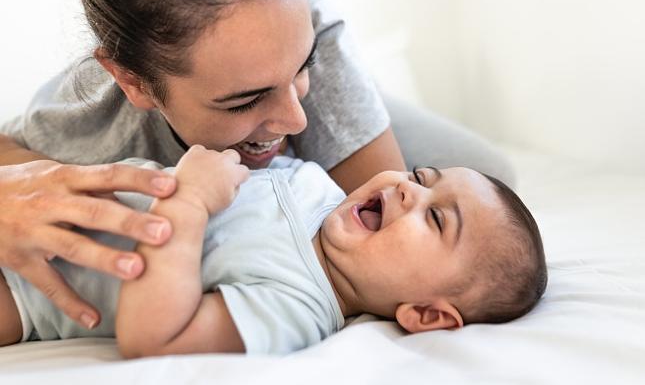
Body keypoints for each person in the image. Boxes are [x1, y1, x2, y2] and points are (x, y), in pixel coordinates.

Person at [0, 0, 515, 331]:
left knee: (491, 186)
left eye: (300, 69)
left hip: (313, 58)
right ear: (133, 81)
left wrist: (288, 77)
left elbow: (379, 275)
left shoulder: (305, 30)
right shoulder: (85, 118)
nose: (294, 119)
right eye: (243, 99)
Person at [0, 146, 547, 355]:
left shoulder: (301, 305)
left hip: (25, 292)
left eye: (435, 217)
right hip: (38, 198)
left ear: (426, 313)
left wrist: (189, 202)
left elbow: (154, 337)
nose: (409, 188)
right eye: (421, 174)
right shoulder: (314, 185)